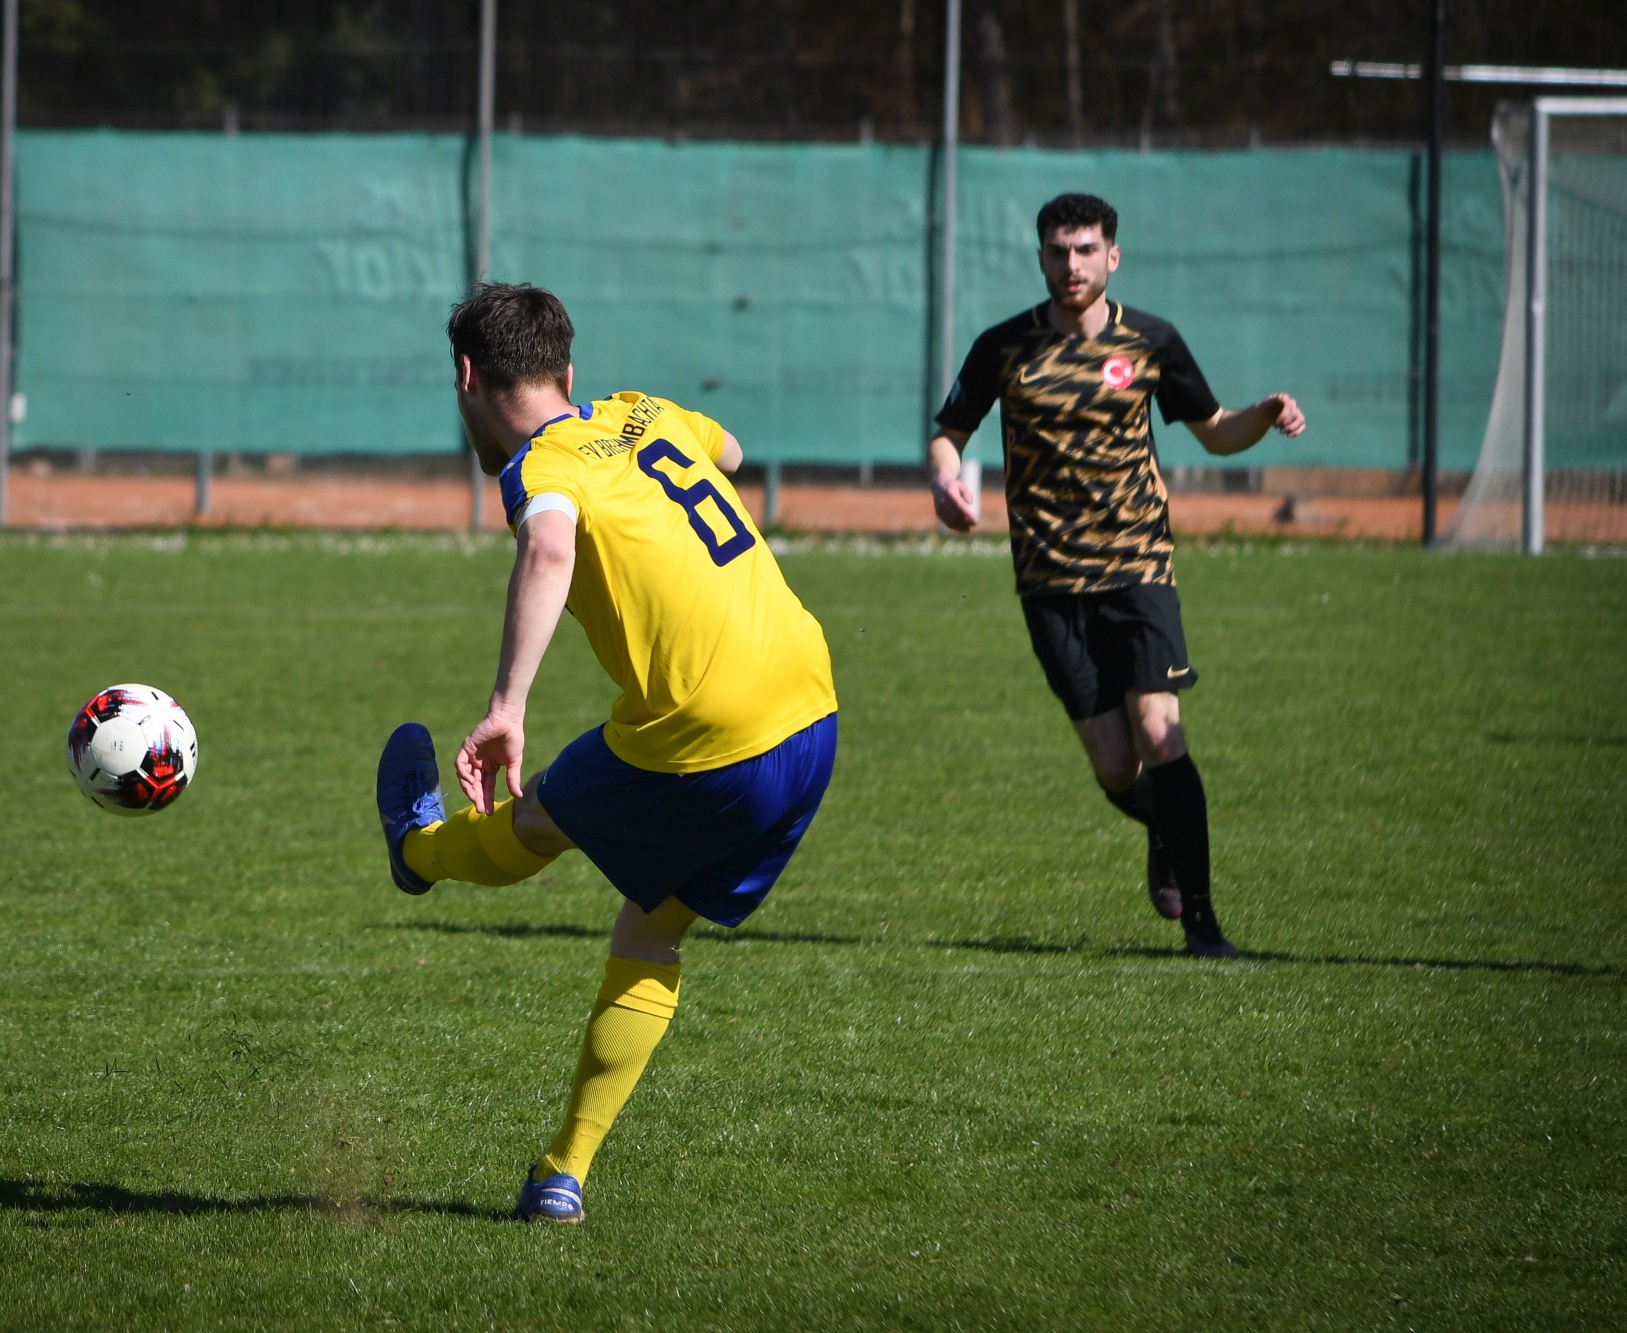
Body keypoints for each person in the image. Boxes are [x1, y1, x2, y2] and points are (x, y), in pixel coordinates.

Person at [376, 281, 839, 1222]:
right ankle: (560, 1175)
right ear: (569, 371)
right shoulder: (642, 411)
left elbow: (548, 551)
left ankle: (418, 851)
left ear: (467, 375)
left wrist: (507, 704)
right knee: (650, 926)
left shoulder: (540, 466)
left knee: (539, 816)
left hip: (702, 733)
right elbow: (731, 450)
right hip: (811, 708)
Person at [926, 192, 1305, 960]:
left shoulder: (1152, 341)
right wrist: (946, 481)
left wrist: (1262, 415)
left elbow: (1216, 429)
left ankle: (1204, 925)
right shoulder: (1004, 347)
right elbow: (950, 431)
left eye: (1086, 250)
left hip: (1138, 567)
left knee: (1161, 730)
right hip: (1048, 578)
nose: (1073, 265)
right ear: (1041, 259)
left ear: (1112, 256)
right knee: (1113, 764)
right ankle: (1163, 826)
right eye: (1059, 252)